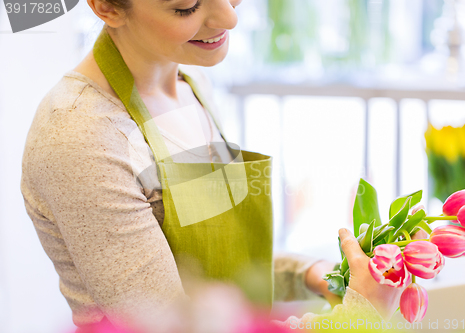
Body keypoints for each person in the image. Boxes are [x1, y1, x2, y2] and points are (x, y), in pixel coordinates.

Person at [20, 0, 413, 331]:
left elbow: (214, 265)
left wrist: (310, 273)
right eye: (187, 7)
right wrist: (361, 316)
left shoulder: (191, 85)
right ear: (106, 7)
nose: (229, 17)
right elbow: (178, 324)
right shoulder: (82, 134)